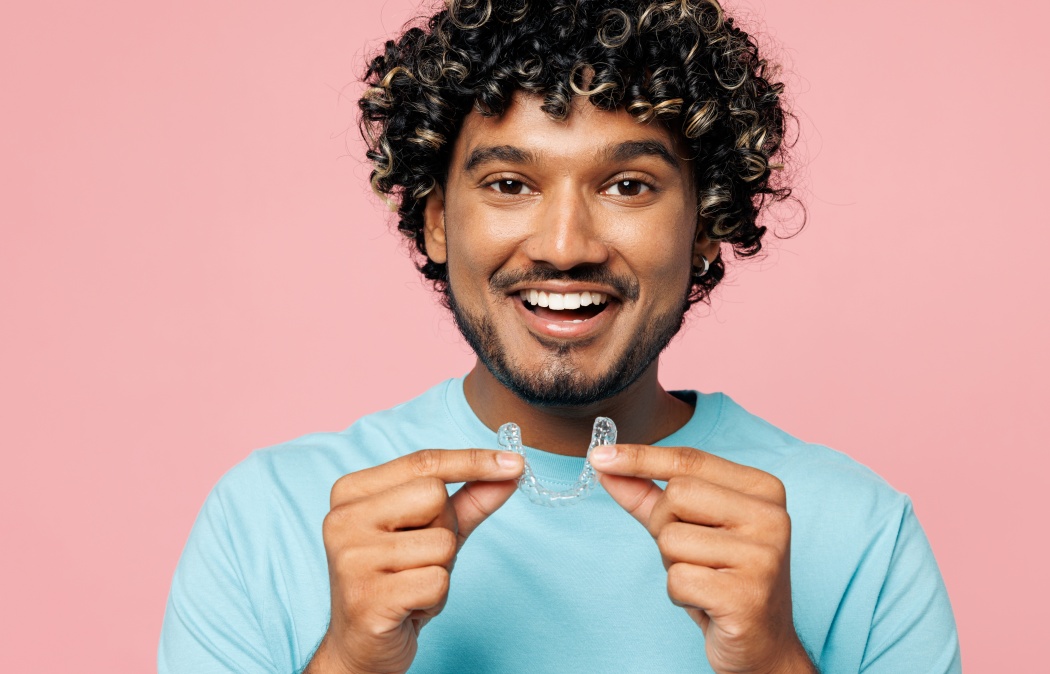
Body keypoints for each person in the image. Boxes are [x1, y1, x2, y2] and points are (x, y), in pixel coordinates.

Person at [159, 0, 961, 672]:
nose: (565, 245)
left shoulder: (861, 535)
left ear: (706, 228)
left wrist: (775, 661)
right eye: (510, 184)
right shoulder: (266, 521)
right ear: (437, 221)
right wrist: (348, 660)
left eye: (628, 185)